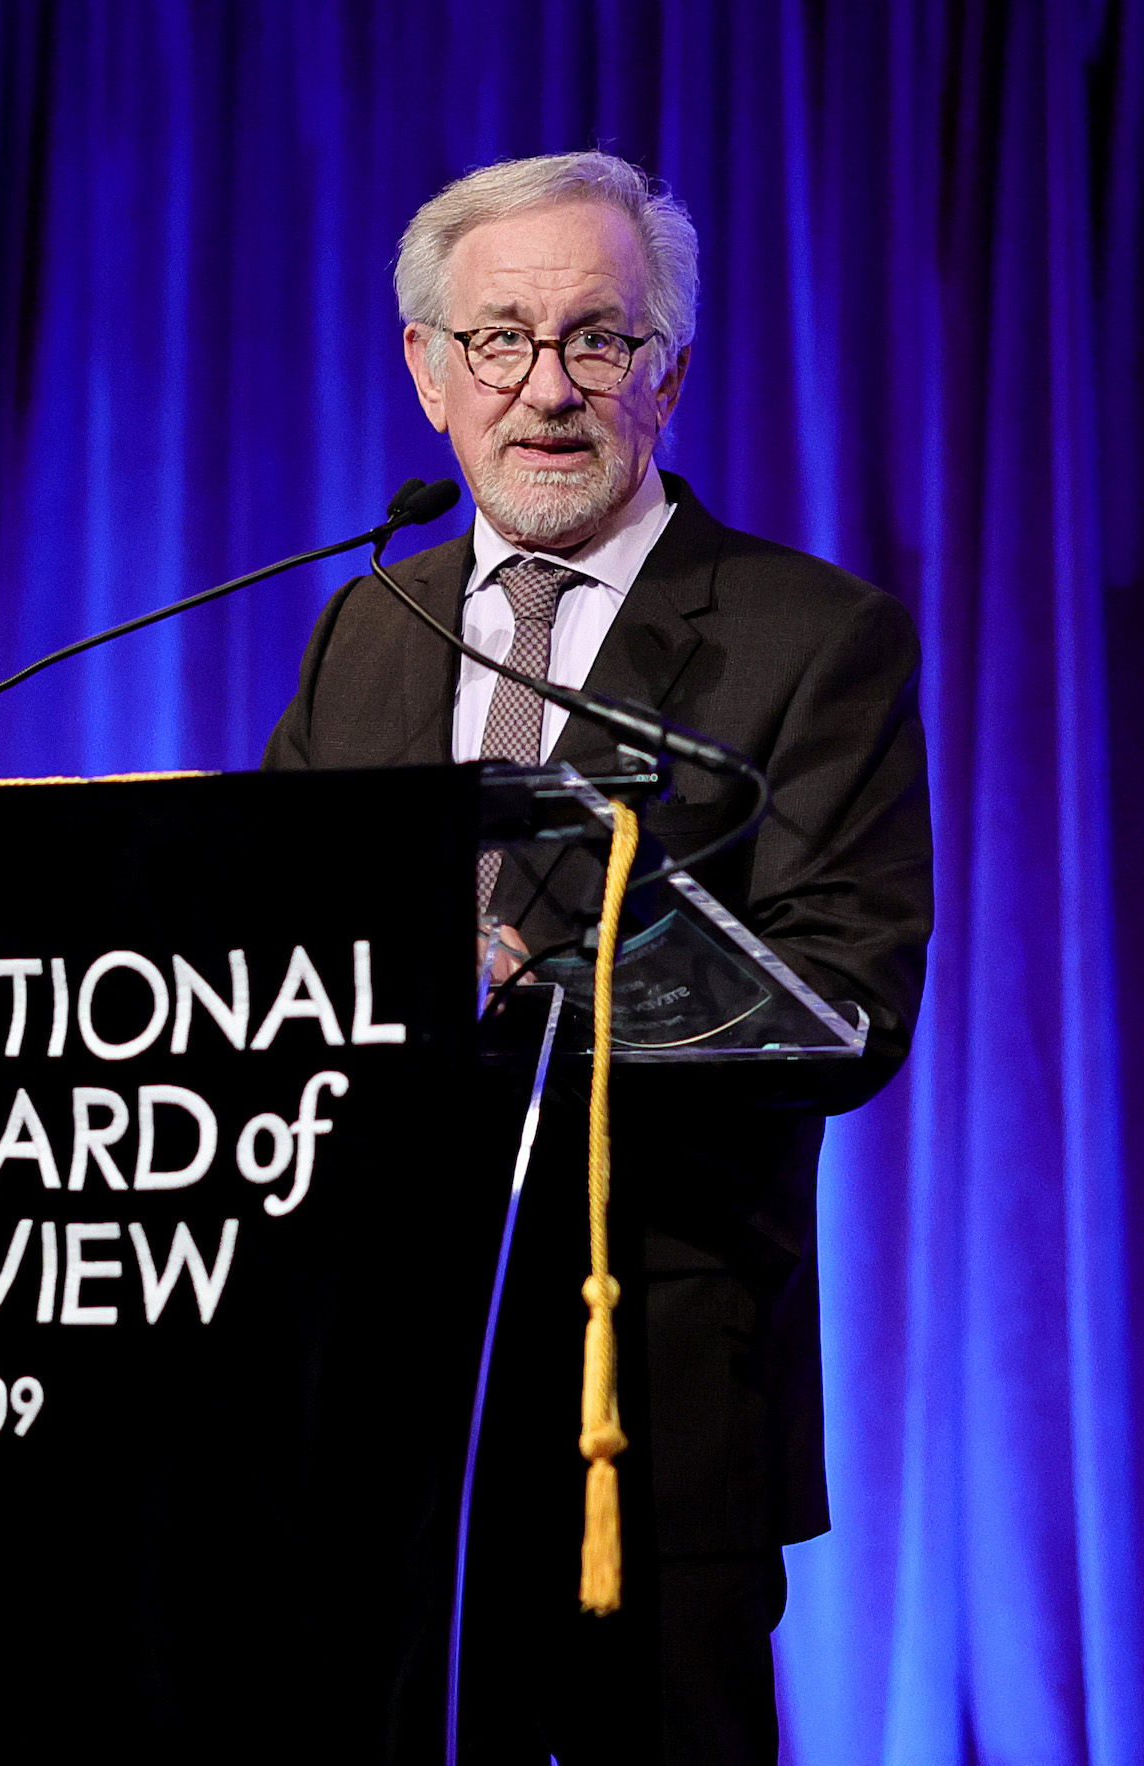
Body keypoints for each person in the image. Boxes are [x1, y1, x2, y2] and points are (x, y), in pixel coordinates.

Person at [263, 151, 931, 1765]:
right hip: (382, 1383)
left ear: (668, 374)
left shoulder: (806, 633)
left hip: (652, 1386)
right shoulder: (371, 622)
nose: (545, 389)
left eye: (596, 340)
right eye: (498, 339)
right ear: (428, 375)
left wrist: (520, 990)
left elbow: (843, 999)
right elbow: (279, 942)